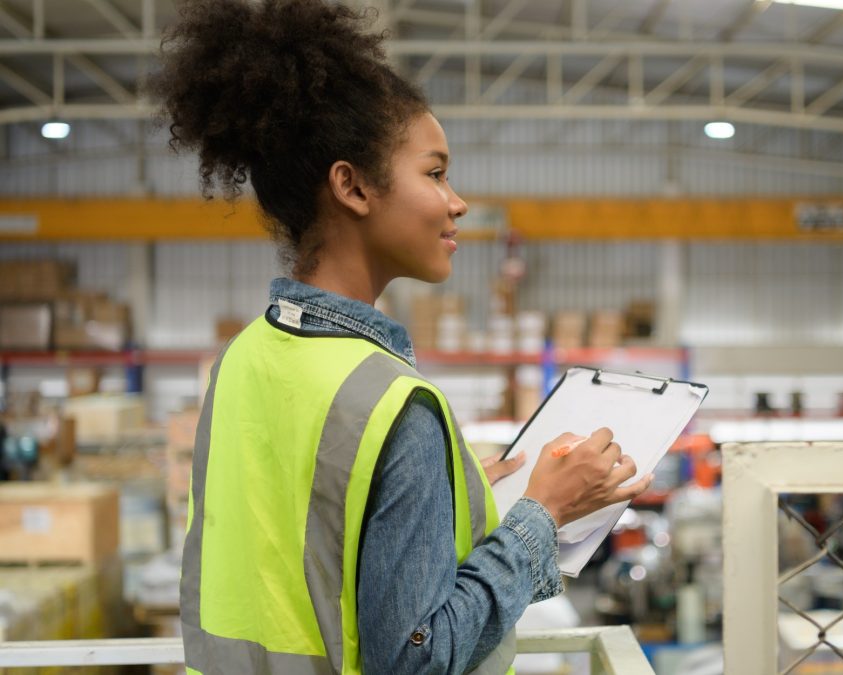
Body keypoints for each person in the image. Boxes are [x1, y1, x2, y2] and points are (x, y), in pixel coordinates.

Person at [153, 1, 653, 673]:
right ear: (353, 187)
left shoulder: (242, 360)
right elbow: (417, 658)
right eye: (436, 172)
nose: (458, 201)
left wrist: (457, 490)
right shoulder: (393, 407)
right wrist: (542, 514)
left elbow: (298, 545)